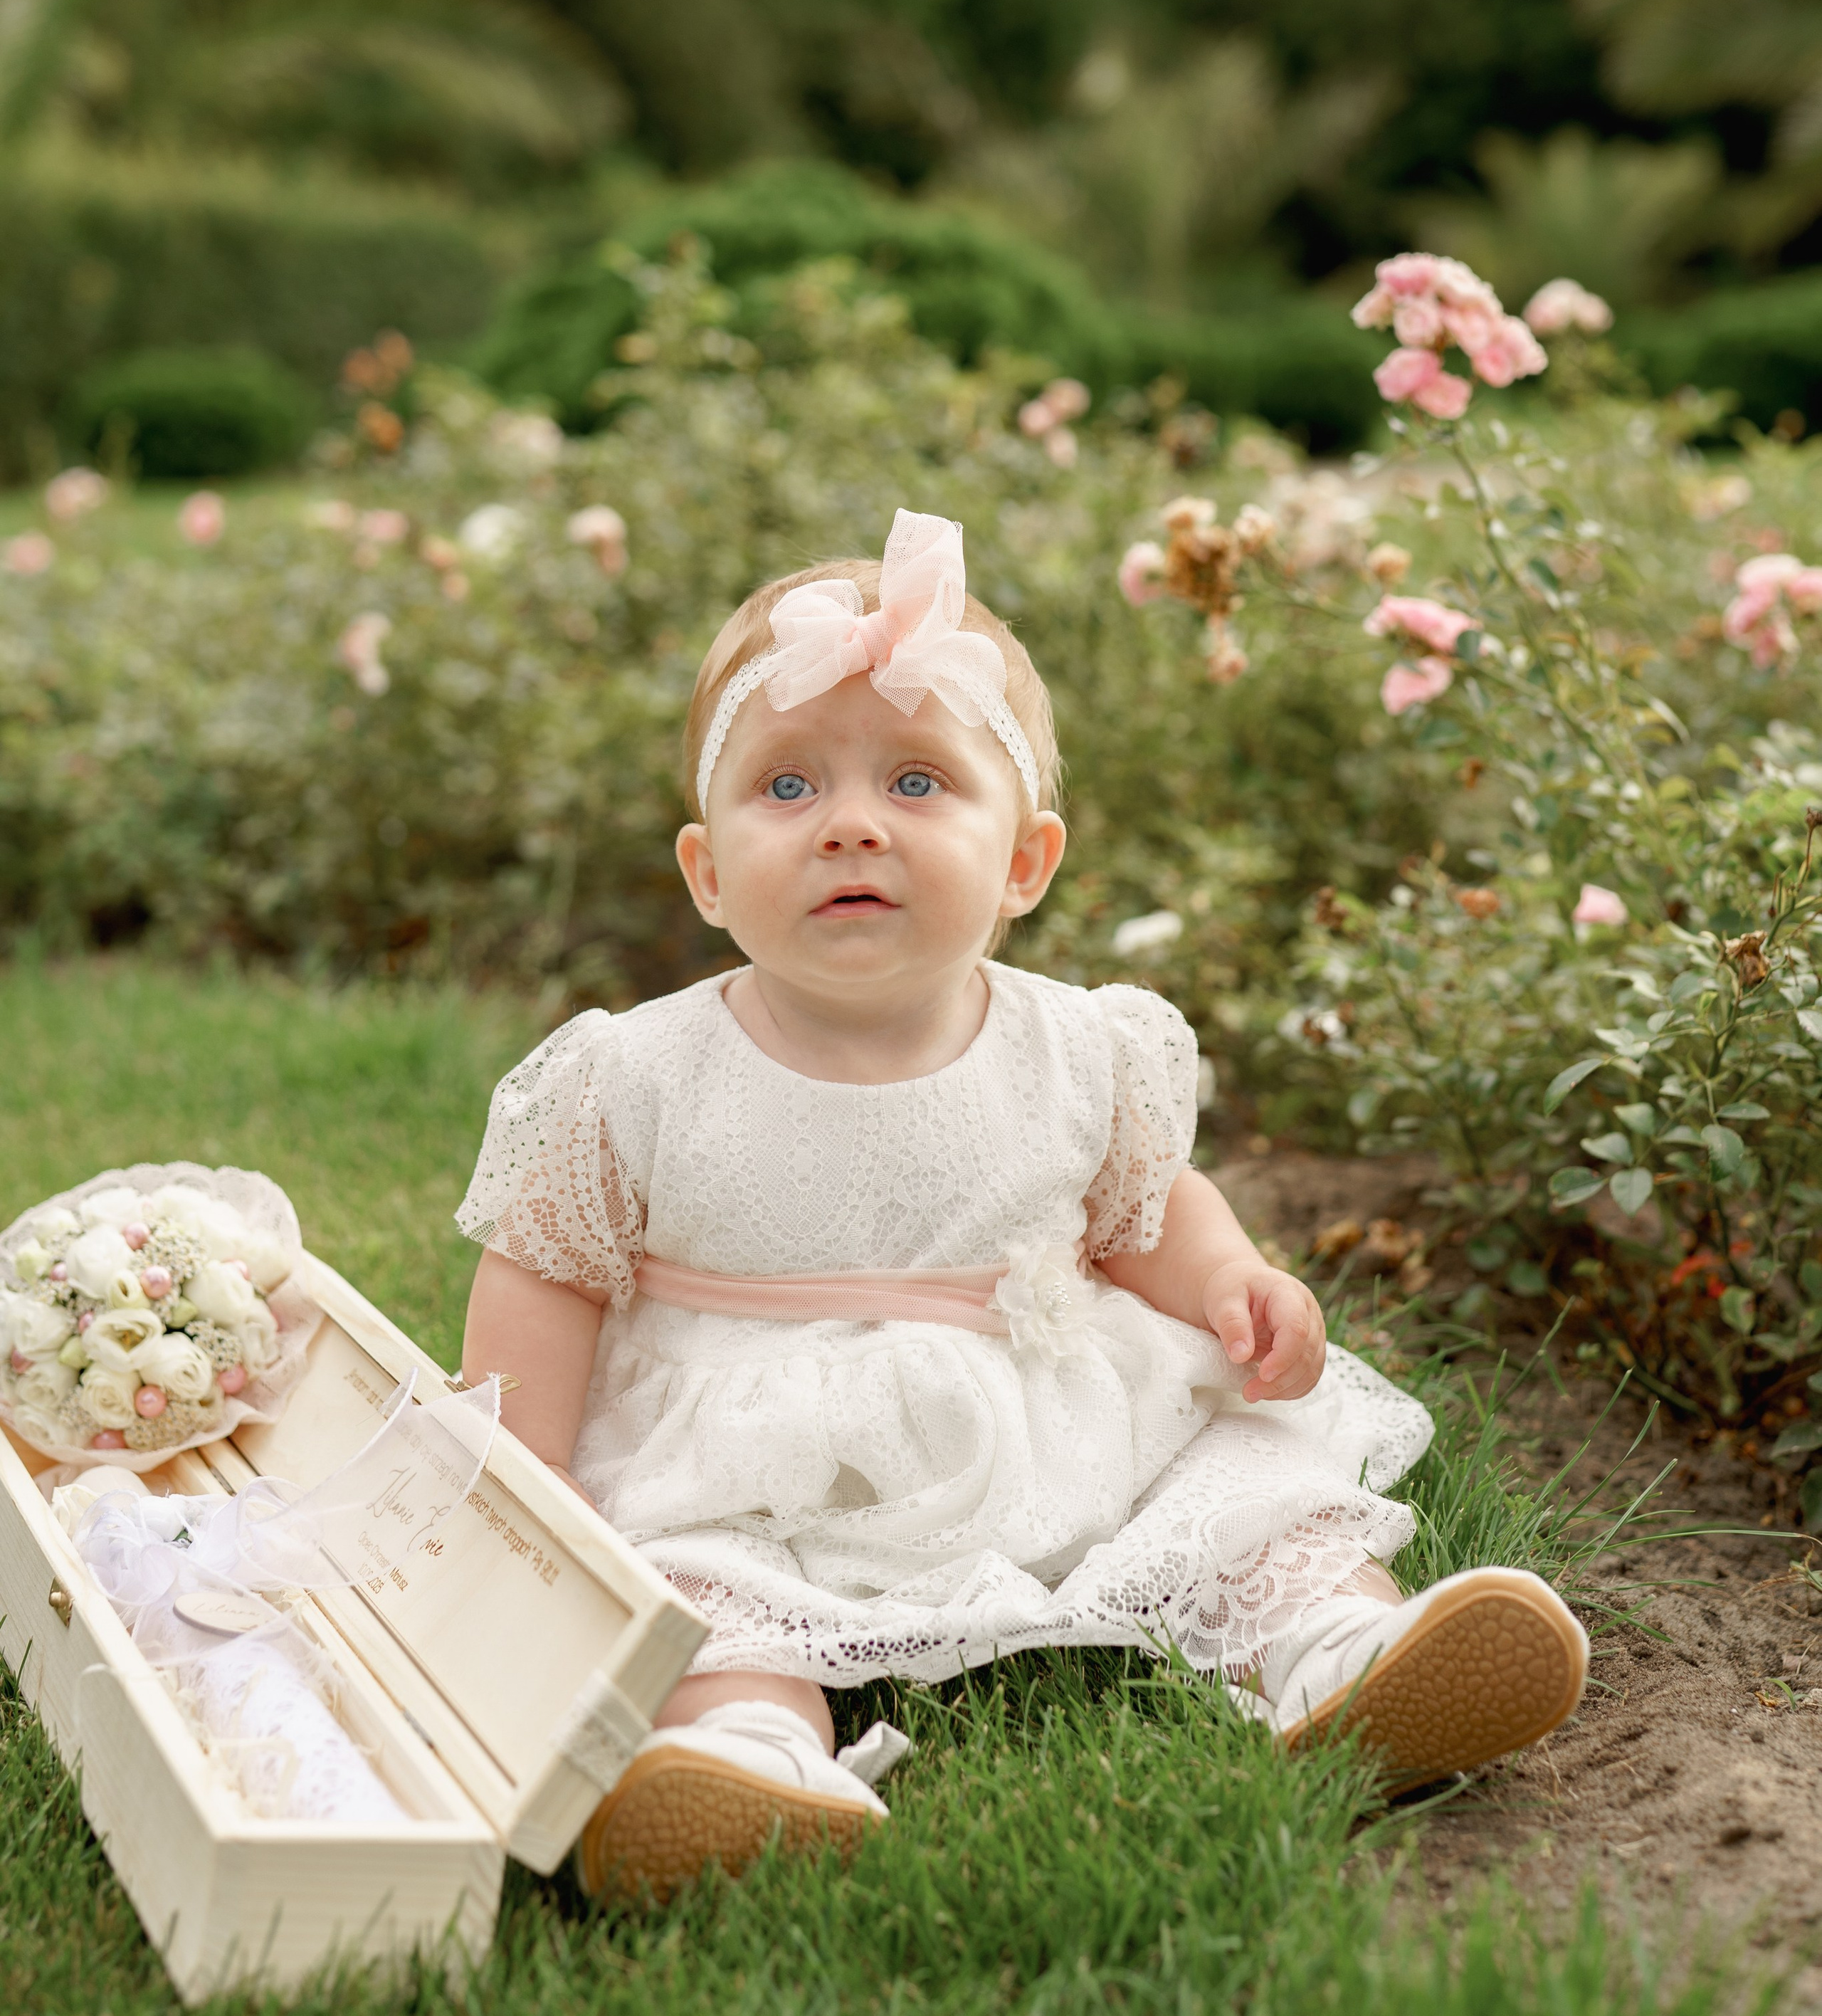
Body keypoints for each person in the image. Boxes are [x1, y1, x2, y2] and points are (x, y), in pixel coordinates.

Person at [458, 510, 1586, 1900]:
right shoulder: (630, 1077)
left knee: (1240, 1500)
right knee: (701, 1597)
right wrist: (529, 1478)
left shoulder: (1080, 1048)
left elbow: (1139, 1210)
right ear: (704, 873)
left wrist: (1227, 1280)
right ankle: (745, 1751)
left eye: (919, 782)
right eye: (788, 787)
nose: (853, 823)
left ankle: (1333, 1650)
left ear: (1025, 865)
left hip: (1045, 1400)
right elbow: (547, 1269)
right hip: (748, 1458)